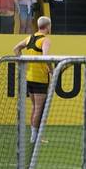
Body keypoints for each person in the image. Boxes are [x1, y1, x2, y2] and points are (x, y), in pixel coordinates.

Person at [12, 16, 52, 144]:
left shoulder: (29, 37)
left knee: (35, 107)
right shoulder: (45, 40)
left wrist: (23, 62)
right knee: (39, 108)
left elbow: (16, 49)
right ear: (48, 26)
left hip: (29, 77)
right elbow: (45, 57)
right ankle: (35, 137)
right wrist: (51, 70)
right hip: (40, 78)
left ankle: (35, 136)